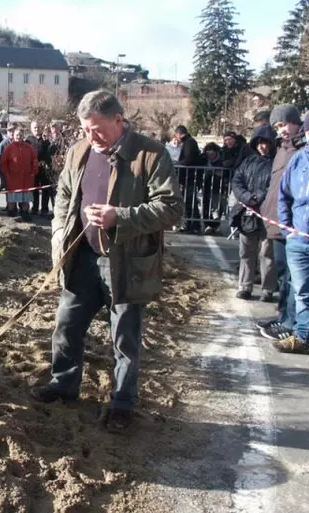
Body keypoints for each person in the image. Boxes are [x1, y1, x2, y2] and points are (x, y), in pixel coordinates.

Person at [30, 90, 183, 433]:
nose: (90, 136)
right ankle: (63, 383)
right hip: (81, 257)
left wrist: (121, 217)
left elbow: (171, 208)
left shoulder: (150, 154)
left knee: (125, 337)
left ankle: (122, 403)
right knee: (66, 326)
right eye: (85, 129)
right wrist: (58, 232)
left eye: (97, 129)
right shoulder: (79, 151)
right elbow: (64, 195)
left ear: (119, 120)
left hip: (126, 262)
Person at [275, 102, 309, 367]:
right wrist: (287, 229)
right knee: (302, 292)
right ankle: (301, 336)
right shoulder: (299, 160)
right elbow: (284, 196)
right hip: (297, 241)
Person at [257, 104, 304, 341]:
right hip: (275, 222)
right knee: (283, 274)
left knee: (294, 277)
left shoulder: (303, 150)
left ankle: (291, 323)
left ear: (295, 122)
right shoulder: (282, 150)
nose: (281, 130)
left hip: (293, 225)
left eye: (284, 124)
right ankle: (283, 315)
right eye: (277, 126)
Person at [230, 125, 277, 301]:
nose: (262, 146)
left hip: (268, 214)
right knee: (246, 251)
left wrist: (259, 197)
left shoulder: (276, 163)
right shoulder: (248, 162)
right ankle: (245, 286)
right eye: (259, 143)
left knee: (267, 253)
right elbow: (237, 181)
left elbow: (275, 184)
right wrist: (248, 197)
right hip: (247, 214)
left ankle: (268, 289)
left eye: (265, 143)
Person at [0, 126, 37, 220]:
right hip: (13, 179)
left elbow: (34, 161)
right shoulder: (9, 148)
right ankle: (11, 214)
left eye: (20, 135)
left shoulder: (29, 148)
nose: (19, 137)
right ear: (13, 136)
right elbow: (3, 162)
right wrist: (7, 174)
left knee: (25, 200)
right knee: (12, 200)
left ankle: (25, 214)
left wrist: (33, 172)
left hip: (26, 179)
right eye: (17, 135)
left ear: (23, 136)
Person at [173, 125, 202, 233]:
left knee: (190, 201)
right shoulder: (189, 142)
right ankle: (190, 224)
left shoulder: (189, 142)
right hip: (187, 177)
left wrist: (179, 164)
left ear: (178, 134)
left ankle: (194, 225)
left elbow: (189, 159)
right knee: (188, 202)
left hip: (189, 177)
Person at [26, 121, 53, 216]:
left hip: (44, 168)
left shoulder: (45, 140)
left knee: (45, 190)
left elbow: (49, 154)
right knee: (34, 189)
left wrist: (44, 162)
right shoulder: (28, 140)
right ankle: (35, 208)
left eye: (38, 127)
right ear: (31, 129)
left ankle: (44, 209)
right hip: (33, 168)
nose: (37, 129)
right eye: (35, 128)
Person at [201, 142, 226, 234]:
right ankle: (207, 224)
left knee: (217, 206)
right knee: (206, 204)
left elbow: (223, 172)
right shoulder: (204, 159)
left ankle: (215, 225)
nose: (210, 156)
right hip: (207, 185)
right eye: (208, 154)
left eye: (212, 154)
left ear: (216, 153)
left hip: (218, 185)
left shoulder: (221, 161)